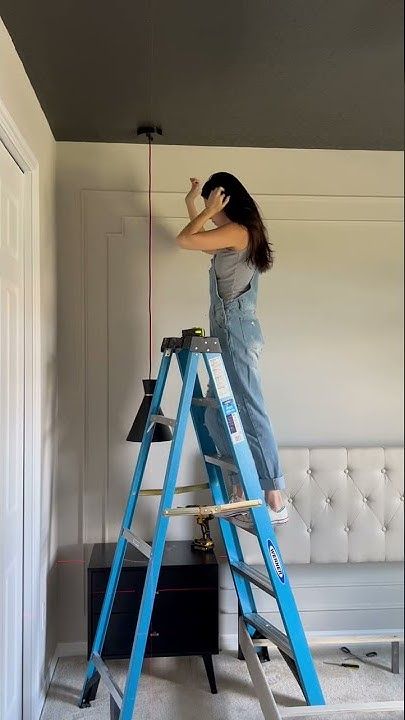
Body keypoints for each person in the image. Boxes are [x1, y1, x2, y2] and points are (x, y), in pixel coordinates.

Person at [176, 172, 288, 526]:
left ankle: (275, 495)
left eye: (216, 203)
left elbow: (184, 239)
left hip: (237, 330)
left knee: (250, 409)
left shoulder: (239, 232)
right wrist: (192, 203)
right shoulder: (232, 236)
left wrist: (205, 211)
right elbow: (199, 242)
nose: (214, 212)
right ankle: (241, 490)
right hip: (224, 331)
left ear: (225, 200)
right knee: (216, 412)